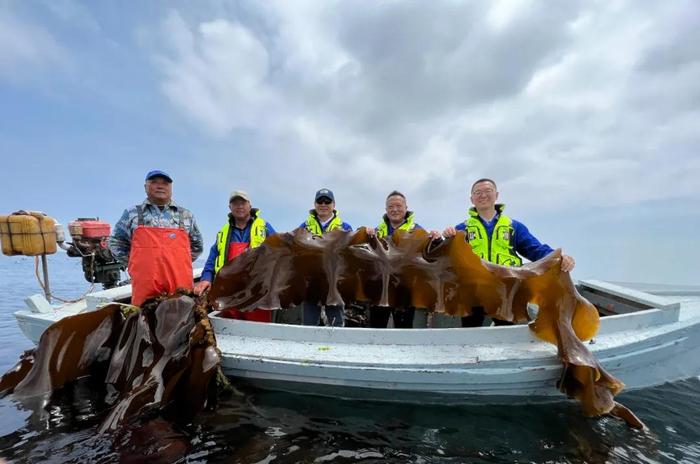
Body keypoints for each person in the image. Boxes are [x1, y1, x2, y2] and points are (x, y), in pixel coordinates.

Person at [443, 178, 575, 327]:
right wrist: (446, 237)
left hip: (506, 289)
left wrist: (559, 258)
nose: (483, 195)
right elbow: (446, 257)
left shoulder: (513, 226)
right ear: (472, 199)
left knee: (507, 334)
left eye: (488, 191)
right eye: (478, 192)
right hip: (474, 291)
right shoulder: (461, 228)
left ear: (496, 195)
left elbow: (535, 249)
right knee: (470, 335)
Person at [110, 170, 203, 306]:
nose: (160, 186)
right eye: (154, 182)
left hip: (180, 287)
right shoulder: (132, 213)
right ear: (146, 187)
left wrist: (177, 262)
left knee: (182, 321)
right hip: (145, 288)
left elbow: (197, 246)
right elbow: (115, 243)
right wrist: (135, 262)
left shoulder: (186, 215)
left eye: (165, 183)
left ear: (171, 188)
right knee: (144, 323)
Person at [194, 190, 275, 321]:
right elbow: (213, 256)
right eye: (235, 203)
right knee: (231, 328)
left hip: (257, 291)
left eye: (243, 203)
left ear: (250, 205)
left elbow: (281, 251)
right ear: (230, 208)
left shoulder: (264, 227)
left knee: (258, 330)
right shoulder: (223, 232)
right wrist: (206, 278)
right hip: (229, 292)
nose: (239, 206)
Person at [365, 190, 440, 328]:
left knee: (404, 329)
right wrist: (366, 236)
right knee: (376, 328)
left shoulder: (418, 231)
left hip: (405, 290)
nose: (395, 210)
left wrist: (436, 239)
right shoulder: (376, 232)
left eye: (399, 206)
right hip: (380, 289)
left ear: (406, 208)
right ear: (386, 210)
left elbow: (431, 254)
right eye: (391, 207)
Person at [298, 188, 352, 326]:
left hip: (335, 282)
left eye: (327, 201)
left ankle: (336, 346)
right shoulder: (304, 227)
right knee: (309, 325)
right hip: (311, 282)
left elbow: (352, 254)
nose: (323, 204)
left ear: (334, 205)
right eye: (319, 201)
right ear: (315, 204)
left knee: (336, 324)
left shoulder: (345, 227)